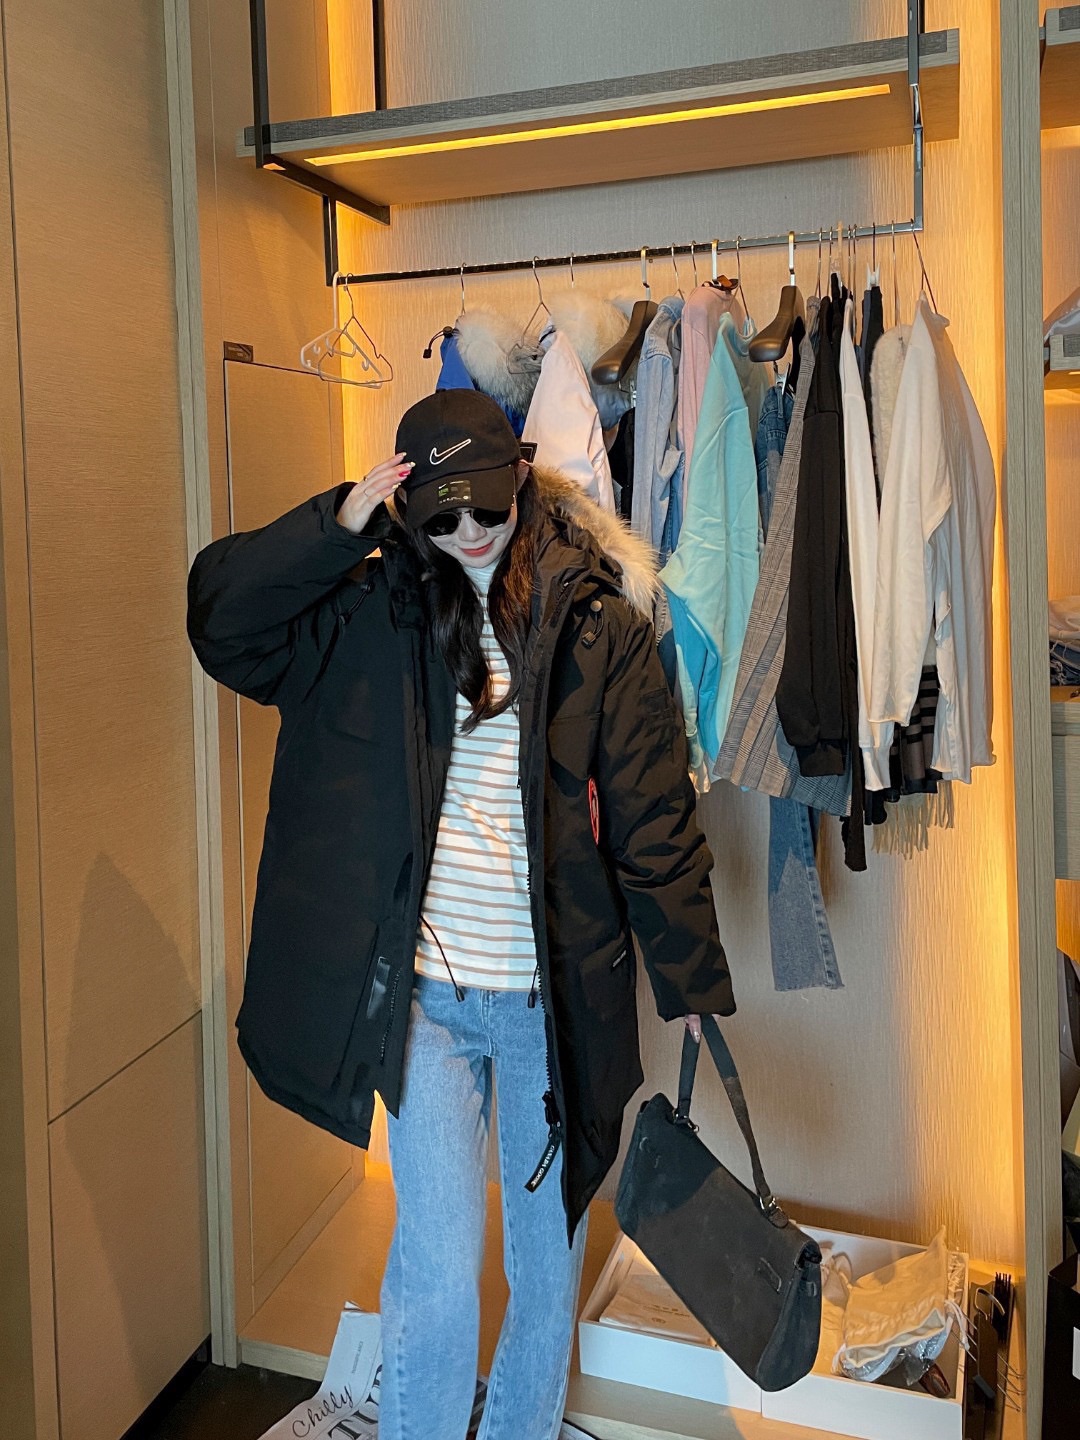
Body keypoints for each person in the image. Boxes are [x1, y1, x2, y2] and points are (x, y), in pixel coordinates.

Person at [187, 389, 734, 1440]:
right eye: (443, 516)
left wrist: (693, 978)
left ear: (521, 481)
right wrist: (336, 524)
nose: (471, 532)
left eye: (487, 506)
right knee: (434, 1271)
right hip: (426, 1004)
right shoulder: (369, 613)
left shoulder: (597, 623)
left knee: (543, 1266)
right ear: (409, 509)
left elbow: (653, 811)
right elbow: (224, 624)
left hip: (548, 1006)